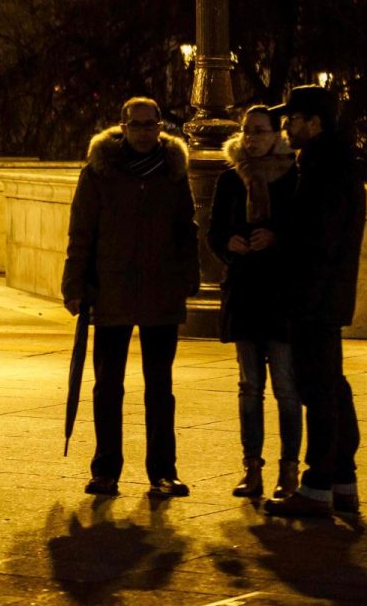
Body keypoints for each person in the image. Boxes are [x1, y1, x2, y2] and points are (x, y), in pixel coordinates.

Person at [62, 97, 200, 499]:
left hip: (160, 290)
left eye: (150, 124)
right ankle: (106, 470)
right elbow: (81, 233)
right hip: (111, 290)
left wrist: (188, 277)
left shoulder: (173, 171)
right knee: (108, 384)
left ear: (160, 126)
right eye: (136, 125)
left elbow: (185, 229)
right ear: (122, 126)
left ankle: (163, 472)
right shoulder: (99, 172)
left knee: (160, 386)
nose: (143, 132)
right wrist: (74, 284)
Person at [264, 84, 367, 520]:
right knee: (333, 386)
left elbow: (317, 238)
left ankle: (318, 484)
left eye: (294, 118)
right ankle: (343, 480)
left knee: (317, 389)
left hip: (314, 296)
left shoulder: (322, 168)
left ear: (314, 122)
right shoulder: (338, 163)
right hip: (326, 294)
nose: (286, 126)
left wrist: (280, 240)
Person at [208, 106, 302, 501]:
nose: (251, 138)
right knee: (249, 387)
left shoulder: (293, 175)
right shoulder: (231, 179)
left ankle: (289, 470)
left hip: (281, 293)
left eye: (259, 131)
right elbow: (213, 231)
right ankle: (252, 468)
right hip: (245, 291)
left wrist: (277, 239)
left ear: (276, 134)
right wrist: (229, 243)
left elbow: (305, 229)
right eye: (247, 131)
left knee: (285, 386)